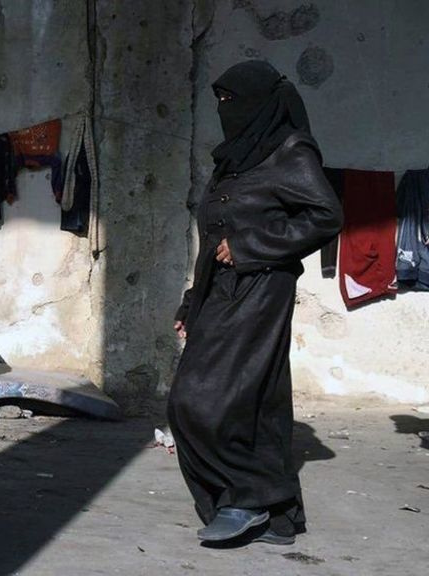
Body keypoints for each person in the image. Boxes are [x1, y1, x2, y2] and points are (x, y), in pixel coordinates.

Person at [167, 61, 343, 546]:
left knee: (198, 400)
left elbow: (326, 215)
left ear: (262, 103)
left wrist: (251, 245)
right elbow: (214, 238)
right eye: (220, 102)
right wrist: (192, 301)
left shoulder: (290, 151)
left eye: (233, 101)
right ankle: (275, 515)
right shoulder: (235, 159)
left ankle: (246, 498)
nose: (225, 110)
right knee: (256, 401)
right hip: (221, 289)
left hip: (261, 289)